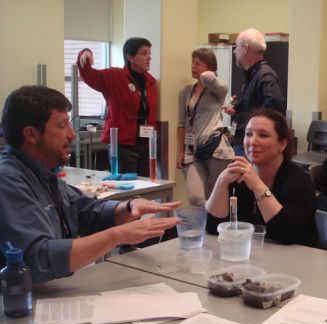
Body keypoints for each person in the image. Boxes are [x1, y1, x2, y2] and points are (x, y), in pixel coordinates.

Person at [0, 85, 181, 284]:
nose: (72, 134)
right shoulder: (8, 180)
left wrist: (129, 207)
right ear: (31, 134)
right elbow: (39, 259)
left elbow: (86, 211)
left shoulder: (43, 173)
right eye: (62, 126)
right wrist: (117, 236)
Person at [206, 109, 317, 247]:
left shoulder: (299, 180)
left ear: (282, 143)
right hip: (249, 257)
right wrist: (222, 181)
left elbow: (287, 234)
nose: (252, 141)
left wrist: (257, 185)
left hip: (294, 261)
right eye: (248, 134)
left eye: (263, 135)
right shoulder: (238, 174)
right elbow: (212, 227)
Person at [77, 37, 157, 176]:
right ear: (130, 57)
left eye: (149, 53)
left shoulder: (150, 82)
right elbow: (89, 75)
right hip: (123, 146)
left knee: (146, 188)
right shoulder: (115, 77)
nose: (149, 58)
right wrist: (86, 54)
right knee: (128, 188)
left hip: (145, 145)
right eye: (144, 53)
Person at [177, 48, 234, 207]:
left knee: (218, 196)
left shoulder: (218, 89)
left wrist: (208, 73)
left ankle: (216, 228)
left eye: (198, 63)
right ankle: (205, 224)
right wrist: (180, 152)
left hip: (215, 149)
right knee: (196, 197)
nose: (193, 66)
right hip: (193, 151)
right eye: (192, 62)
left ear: (209, 67)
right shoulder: (186, 92)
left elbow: (211, 80)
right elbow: (181, 124)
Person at [223, 28, 286, 156]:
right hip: (244, 143)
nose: (234, 51)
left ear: (245, 48)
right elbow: (255, 106)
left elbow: (275, 108)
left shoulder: (265, 75)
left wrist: (251, 127)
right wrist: (238, 111)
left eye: (236, 47)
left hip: (252, 147)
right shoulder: (253, 75)